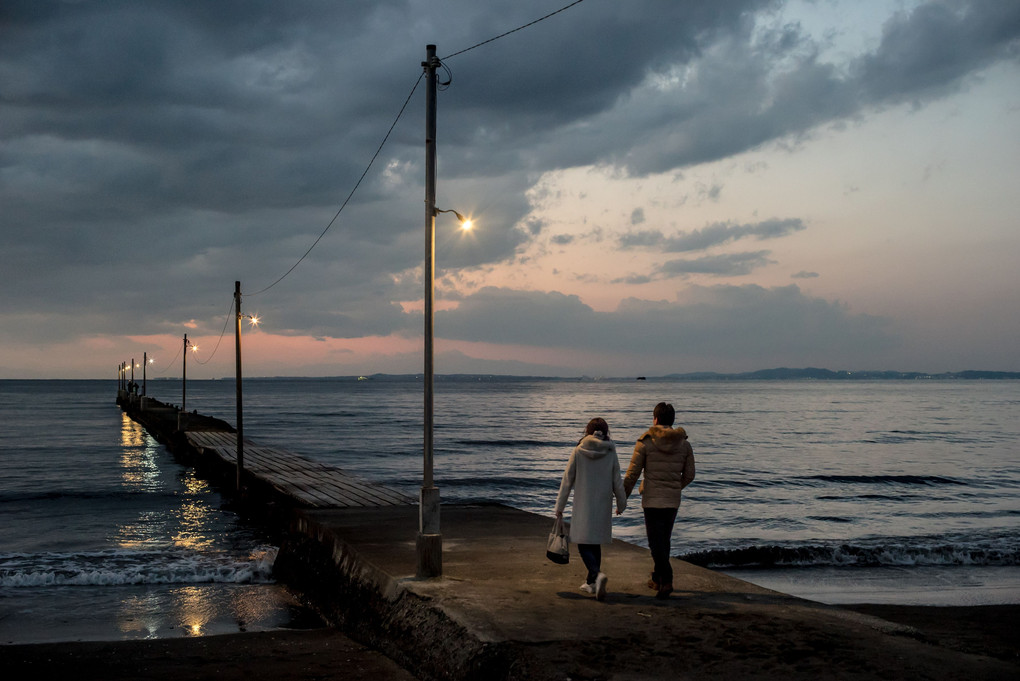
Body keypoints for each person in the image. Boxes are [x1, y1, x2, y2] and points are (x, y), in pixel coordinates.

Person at [623, 402, 696, 599]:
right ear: (672, 420)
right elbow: (690, 475)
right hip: (672, 500)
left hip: (652, 500)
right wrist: (675, 487)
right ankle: (657, 578)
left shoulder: (645, 442)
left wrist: (622, 497)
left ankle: (667, 580)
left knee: (655, 543)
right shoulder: (685, 444)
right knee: (663, 540)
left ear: (655, 419)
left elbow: (632, 474)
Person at [554, 417, 627, 601]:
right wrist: (621, 503)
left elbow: (567, 480)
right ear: (606, 432)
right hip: (602, 504)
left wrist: (559, 506)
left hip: (583, 504)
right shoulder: (611, 451)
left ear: (587, 431)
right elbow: (617, 480)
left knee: (582, 543)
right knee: (594, 543)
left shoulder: (579, 451)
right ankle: (592, 583)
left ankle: (597, 573)